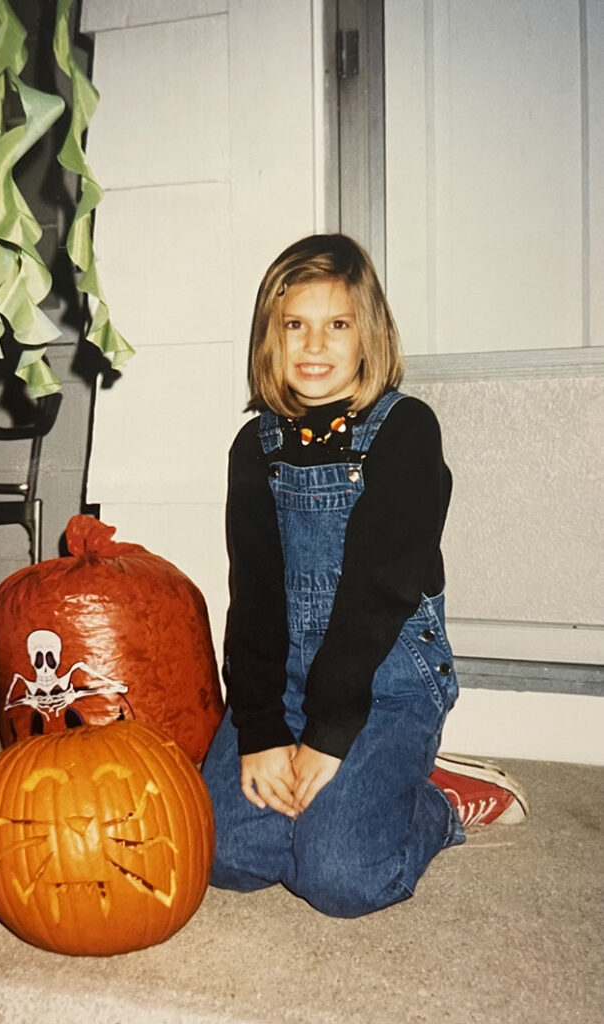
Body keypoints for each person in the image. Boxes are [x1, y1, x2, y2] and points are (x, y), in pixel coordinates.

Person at [201, 233, 529, 918]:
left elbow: (376, 596)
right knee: (229, 857)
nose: (313, 345)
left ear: (366, 335)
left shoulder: (404, 429)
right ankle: (353, 792)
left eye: (336, 325)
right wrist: (262, 729)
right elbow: (253, 597)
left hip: (383, 687)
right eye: (295, 325)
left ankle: (435, 801)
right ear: (270, 338)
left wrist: (325, 738)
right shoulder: (252, 445)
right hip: (287, 687)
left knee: (340, 876)